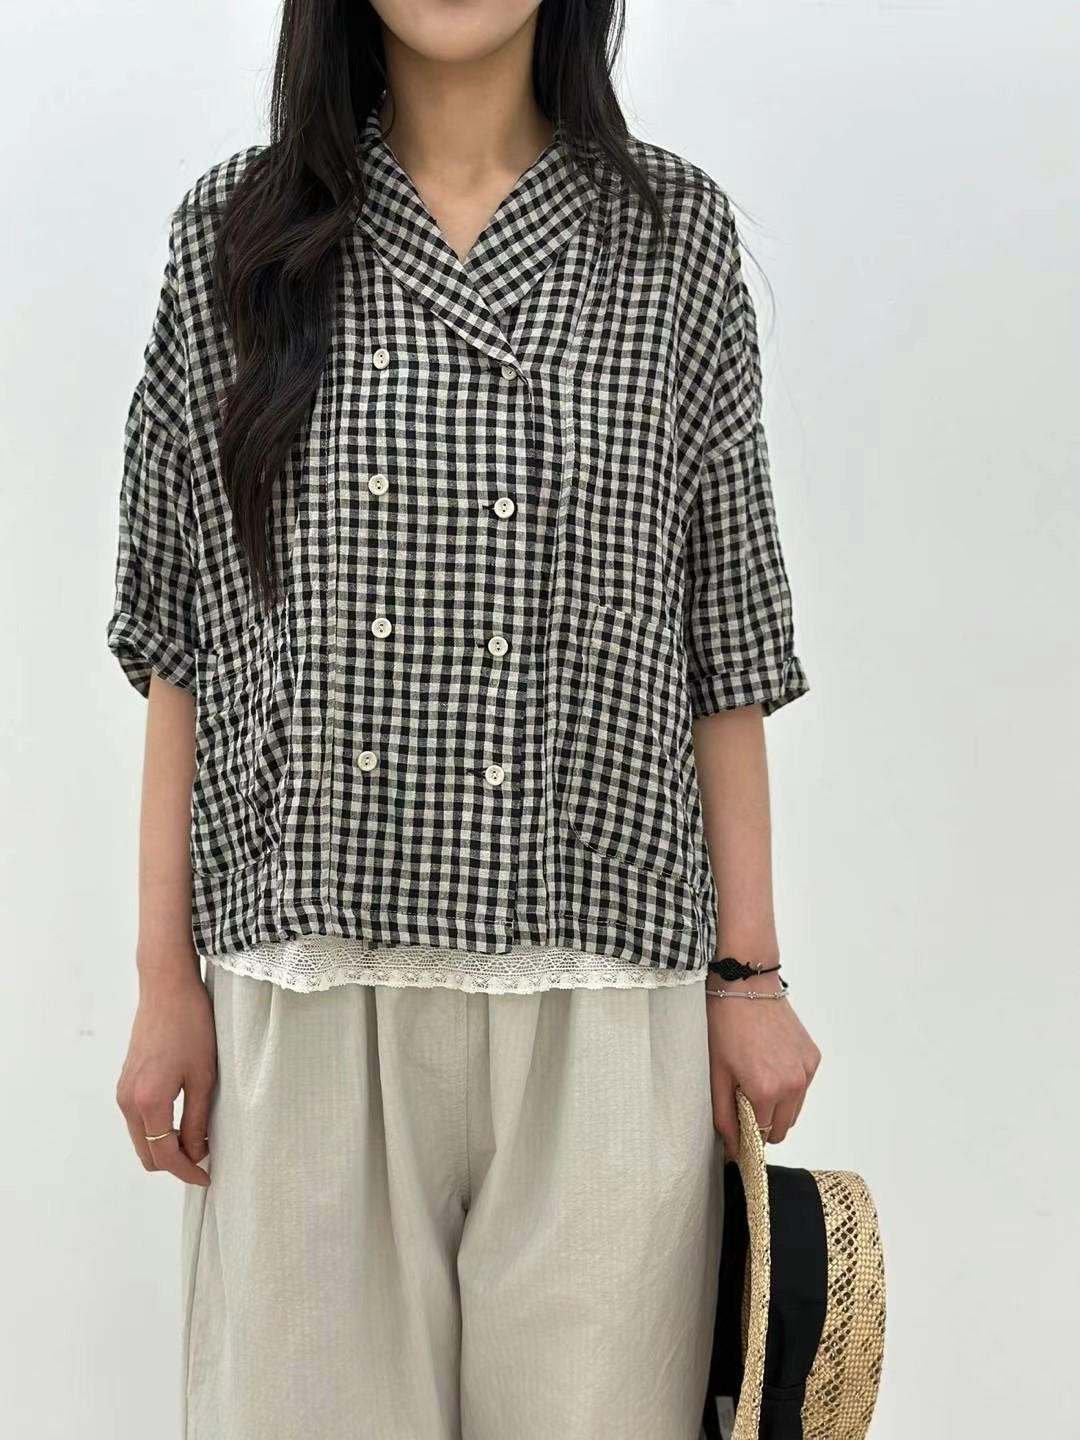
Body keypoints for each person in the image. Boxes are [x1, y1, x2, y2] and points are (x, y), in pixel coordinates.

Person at [109, 2, 822, 1436]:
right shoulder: (238, 235)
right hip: (308, 972)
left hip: (603, 970)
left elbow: (725, 632)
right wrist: (163, 980)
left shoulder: (668, 237)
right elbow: (179, 629)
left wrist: (749, 980)